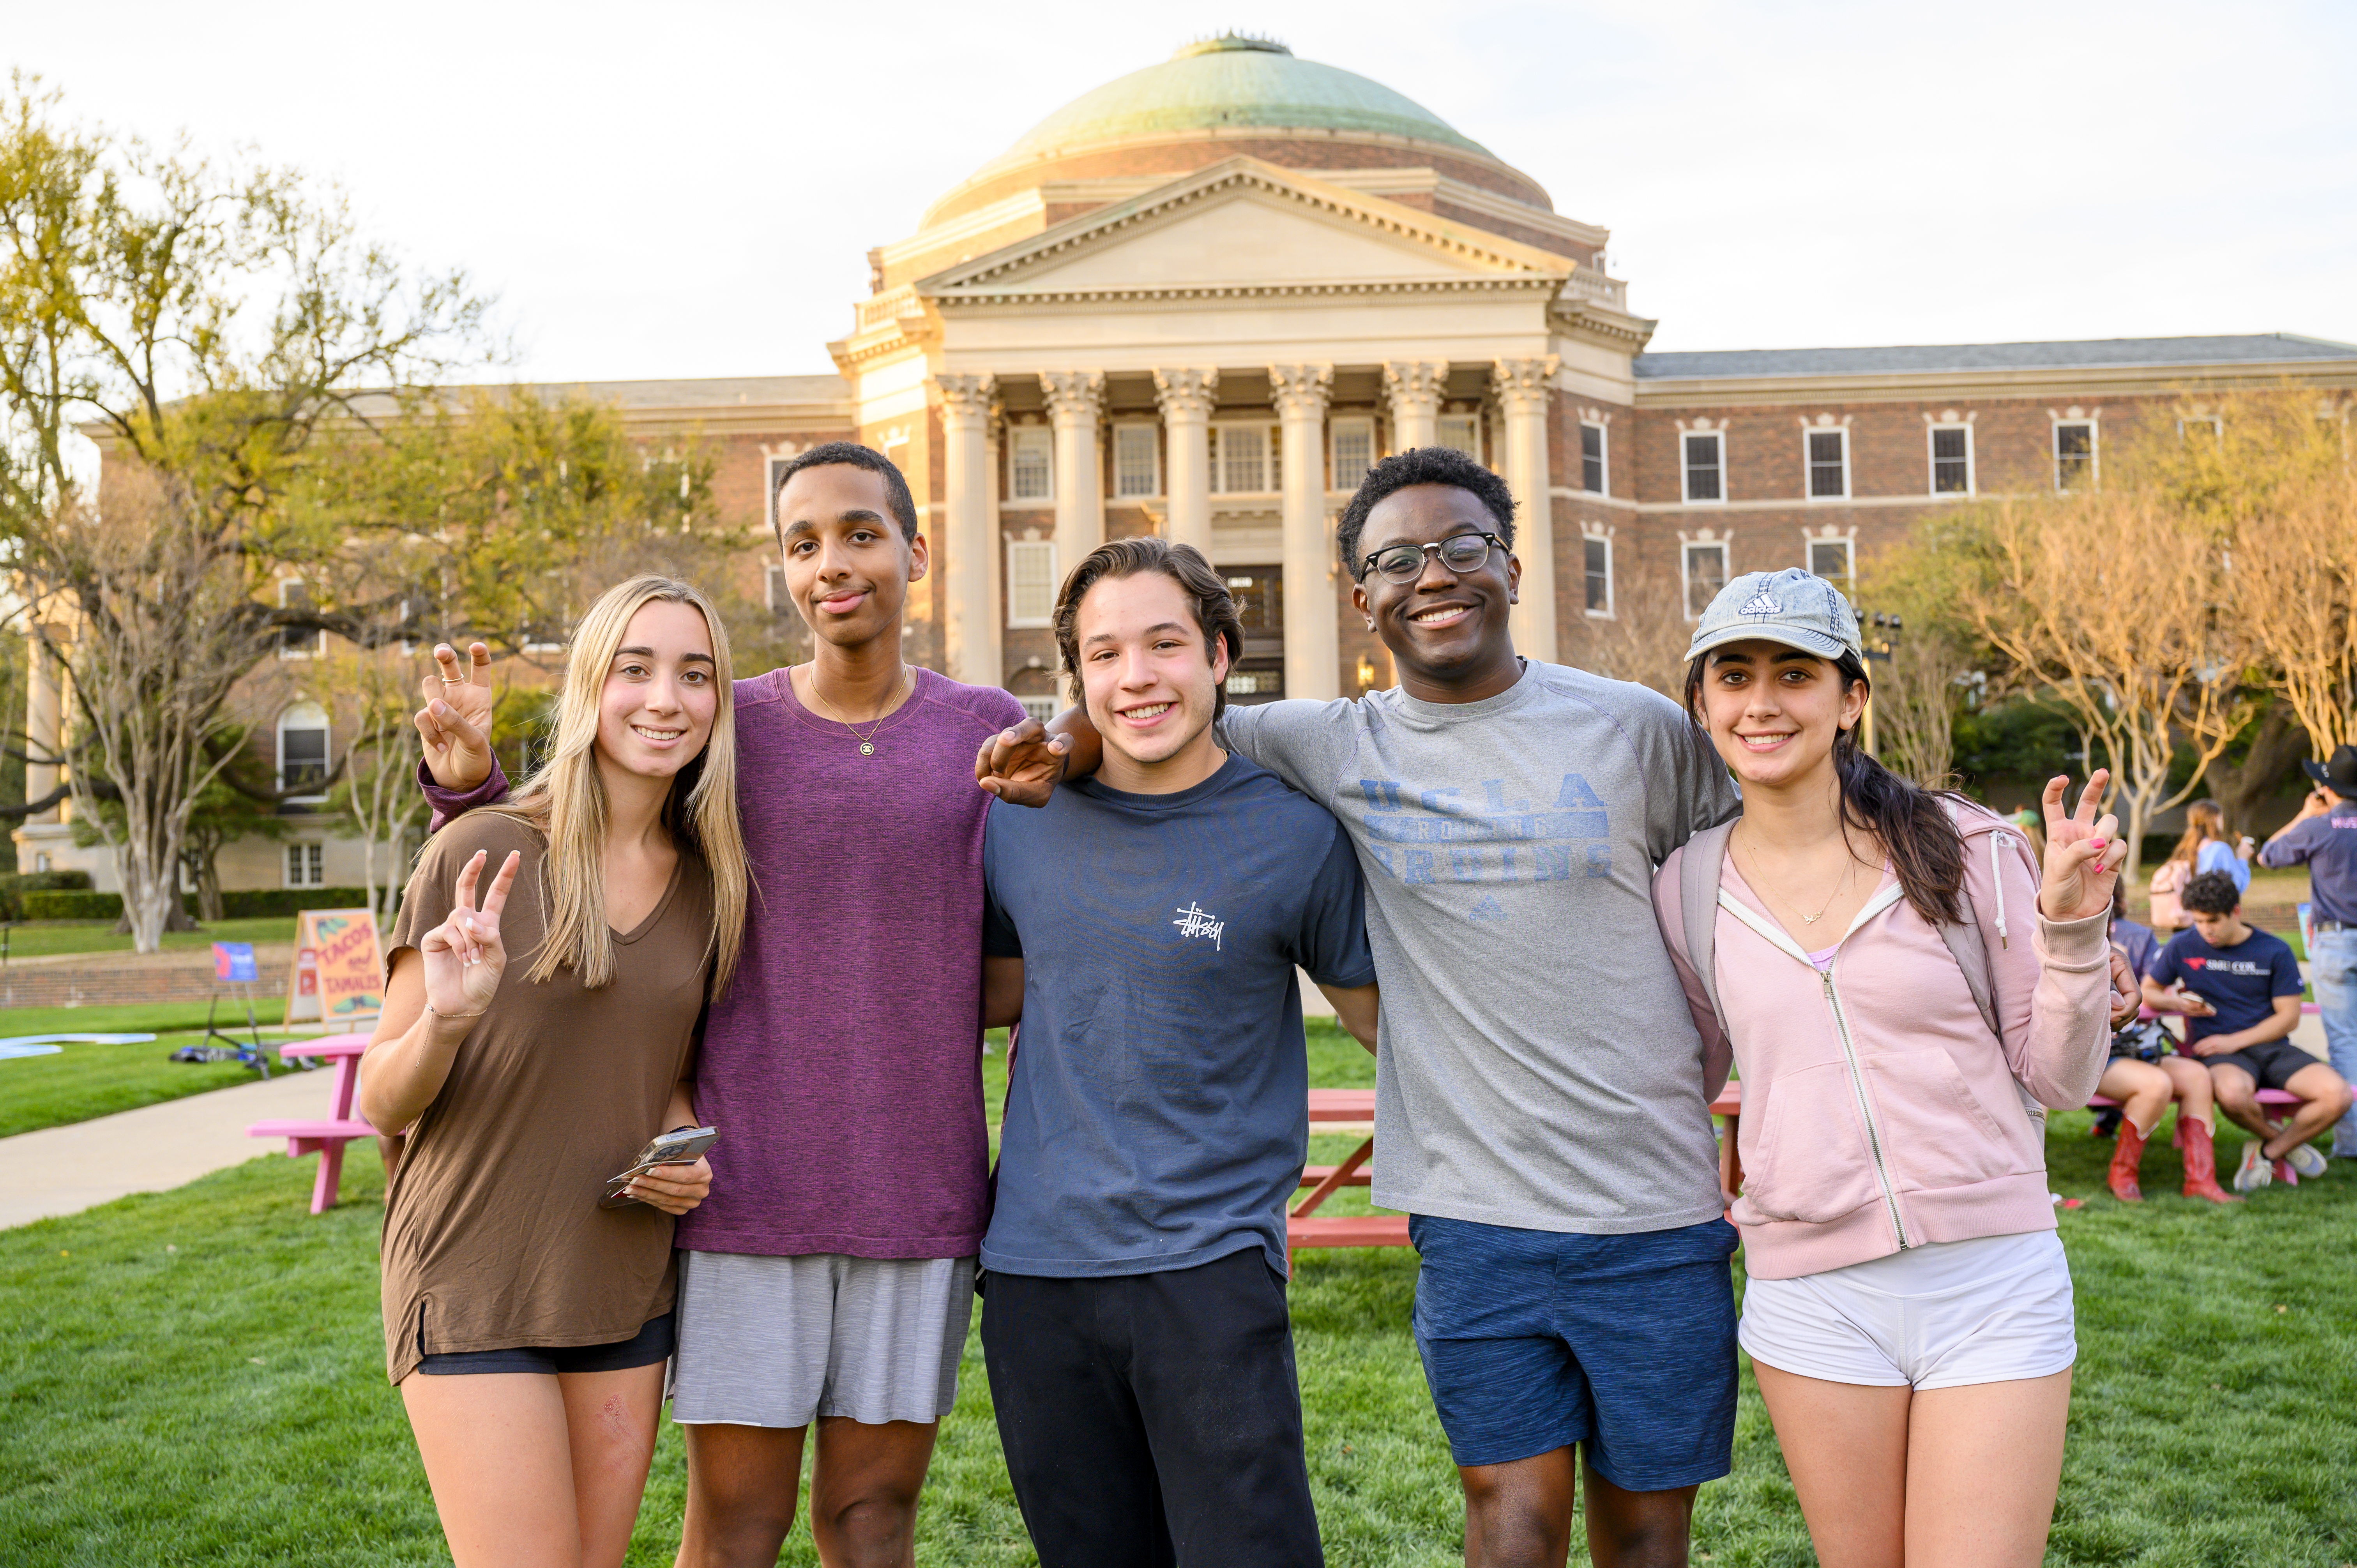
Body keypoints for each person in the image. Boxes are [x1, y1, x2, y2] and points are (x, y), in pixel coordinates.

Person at [983, 447, 1746, 1568]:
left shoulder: (1636, 729)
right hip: (1474, 1210)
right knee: (1512, 1519)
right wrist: (1062, 739)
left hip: (1655, 1203)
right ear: (1361, 598)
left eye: (1462, 546)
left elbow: (1757, 874)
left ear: (1514, 565)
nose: (1432, 574)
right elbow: (1150, 711)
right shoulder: (1326, 744)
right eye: (1398, 559)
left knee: (1647, 1532)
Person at [414, 443, 1030, 1568]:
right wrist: (473, 793)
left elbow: (1022, 937)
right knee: (738, 1527)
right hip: (745, 1194)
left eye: (861, 534)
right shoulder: (726, 728)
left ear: (915, 551)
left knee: (874, 1521)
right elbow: (597, 829)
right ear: (781, 570)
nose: (833, 563)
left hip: (919, 1193)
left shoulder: (982, 732)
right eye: (804, 543)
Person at [1651, 568, 2117, 1568]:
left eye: (1796, 673)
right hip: (1812, 1294)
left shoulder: (1966, 845)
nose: (1762, 702)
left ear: (1850, 696)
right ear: (1702, 703)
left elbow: (2062, 1077)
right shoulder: (1685, 887)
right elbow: (1675, 1082)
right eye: (1734, 675)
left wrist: (2076, 934)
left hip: (1992, 1281)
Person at [975, 537, 1379, 1568]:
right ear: (1077, 676)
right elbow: (990, 993)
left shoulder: (1295, 835)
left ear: (1219, 654)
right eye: (1105, 654)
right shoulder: (1017, 823)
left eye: (1164, 644)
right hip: (1035, 1275)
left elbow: (1386, 1026)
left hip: (1211, 1270)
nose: (1136, 677)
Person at [361, 574, 749, 1568]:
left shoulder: (712, 884)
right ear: (590, 687)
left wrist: (682, 1149)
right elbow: (380, 1099)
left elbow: (663, 1069)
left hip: (622, 1282)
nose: (665, 699)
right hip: (474, 1274)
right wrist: (446, 1021)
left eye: (694, 674)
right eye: (636, 668)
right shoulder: (483, 846)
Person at [2143, 869, 2352, 1191]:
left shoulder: (2275, 950)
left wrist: (2233, 1041)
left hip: (2271, 1047)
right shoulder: (2183, 945)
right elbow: (2149, 990)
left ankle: (2268, 1152)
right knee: (2232, 1094)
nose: (2206, 930)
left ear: (2236, 912)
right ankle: (2285, 1144)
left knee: (2338, 1095)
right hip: (2217, 1054)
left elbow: (2289, 1018)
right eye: (2198, 921)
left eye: (2213, 921)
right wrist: (2178, 1003)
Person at [2097, 882, 2234, 1202]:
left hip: (2137, 1046)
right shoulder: (2061, 945)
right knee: (2156, 1085)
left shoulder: (2127, 943)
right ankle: (2123, 1175)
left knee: (2197, 1076)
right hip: (2092, 1057)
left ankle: (2201, 1180)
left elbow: (2151, 992)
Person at [2257, 747, 2357, 1159]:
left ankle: (2352, 1143)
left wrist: (2305, 814)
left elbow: (2268, 855)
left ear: (2327, 788)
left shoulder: (2319, 827)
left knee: (2345, 1042)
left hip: (2337, 941)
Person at [2149, 799, 2247, 935]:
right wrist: (2243, 859)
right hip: (2208, 924)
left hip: (2184, 919)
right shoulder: (2219, 849)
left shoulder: (2185, 849)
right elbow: (2236, 887)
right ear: (2215, 818)